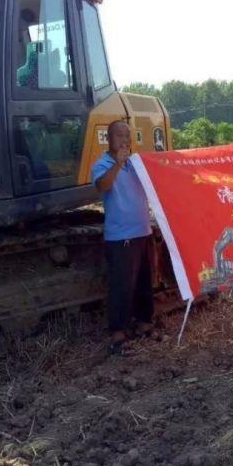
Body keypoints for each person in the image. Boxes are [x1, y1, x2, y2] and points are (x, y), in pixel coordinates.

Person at [91, 120, 155, 354]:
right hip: (121, 237)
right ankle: (118, 334)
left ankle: (144, 323)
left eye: (128, 136)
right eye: (120, 136)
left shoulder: (136, 164)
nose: (125, 140)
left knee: (144, 283)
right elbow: (103, 186)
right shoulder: (103, 164)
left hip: (142, 232)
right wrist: (117, 164)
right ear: (109, 138)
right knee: (122, 286)